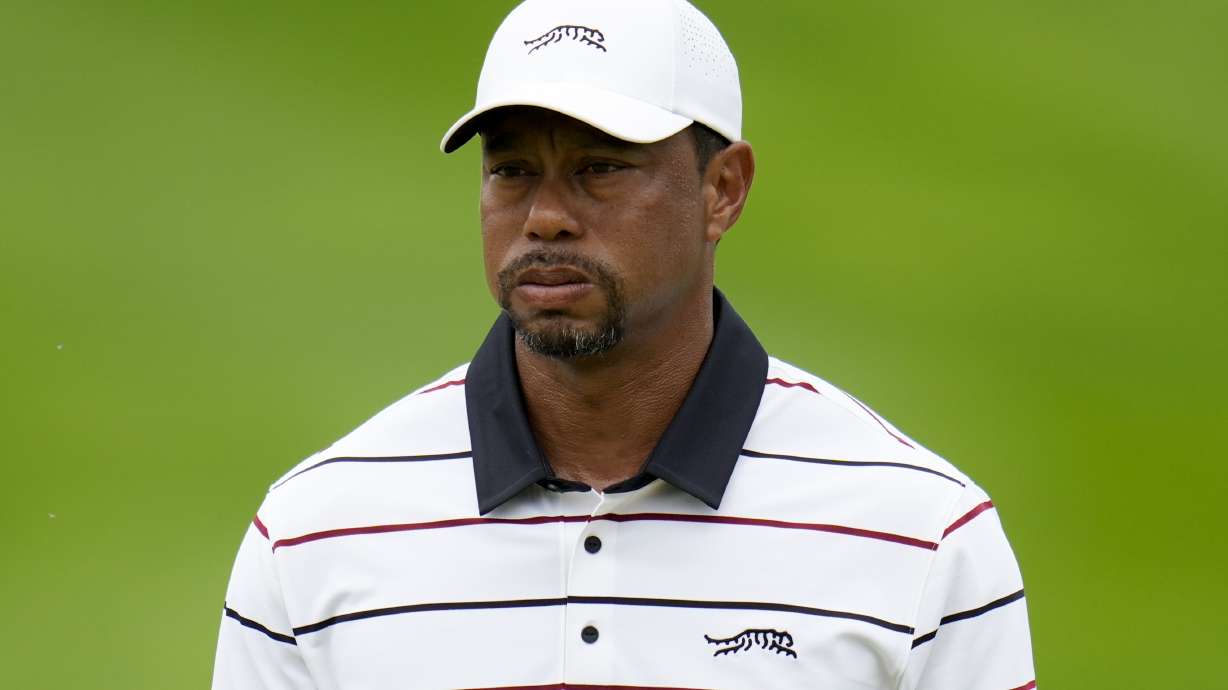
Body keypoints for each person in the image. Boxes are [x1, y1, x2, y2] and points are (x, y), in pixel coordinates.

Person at [212, 1, 1036, 688]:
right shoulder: (315, 533)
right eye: (511, 170)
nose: (545, 217)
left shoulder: (922, 533)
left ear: (723, 190)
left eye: (600, 168)